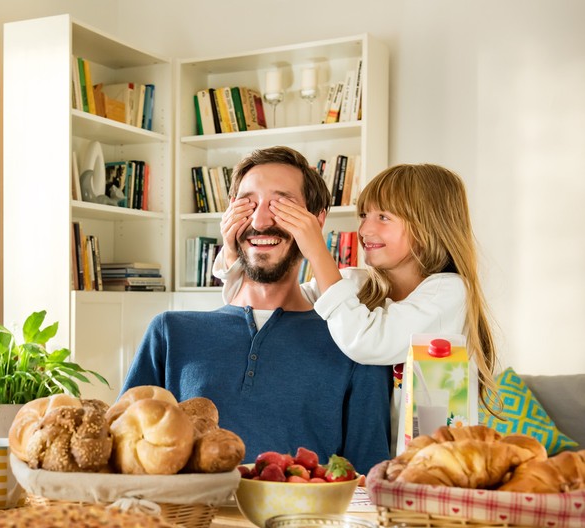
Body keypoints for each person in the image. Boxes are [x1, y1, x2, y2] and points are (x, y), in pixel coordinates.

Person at [122, 146, 393, 474]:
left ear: (317, 220)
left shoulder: (356, 345)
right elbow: (122, 455)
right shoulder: (170, 332)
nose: (260, 221)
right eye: (247, 204)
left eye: (282, 205)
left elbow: (367, 481)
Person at [214, 162, 501, 451]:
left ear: (429, 225)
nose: (364, 229)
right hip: (380, 463)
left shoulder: (448, 292)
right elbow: (273, 305)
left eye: (383, 217)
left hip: (436, 464)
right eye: (364, 215)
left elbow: (369, 341)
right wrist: (233, 249)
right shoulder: (358, 284)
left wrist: (317, 251)